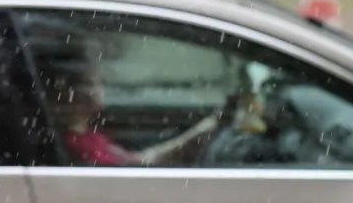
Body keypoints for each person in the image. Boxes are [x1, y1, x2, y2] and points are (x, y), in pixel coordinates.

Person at [31, 37, 220, 167]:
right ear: (68, 91)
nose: (102, 86)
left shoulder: (87, 137)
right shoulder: (78, 147)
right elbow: (137, 170)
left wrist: (197, 135)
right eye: (95, 80)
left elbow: (137, 162)